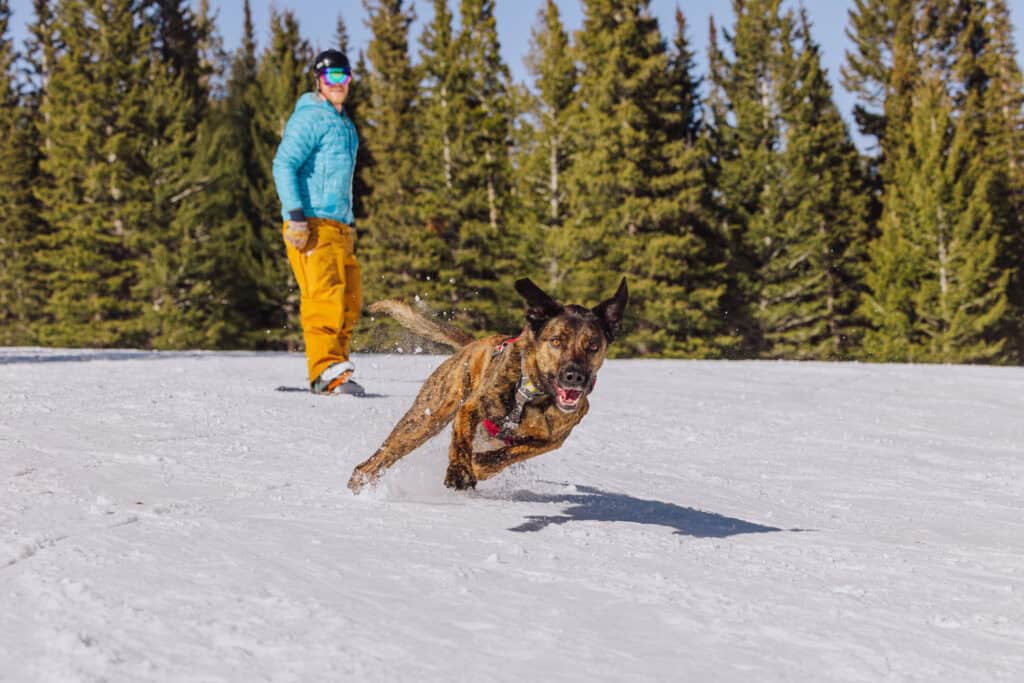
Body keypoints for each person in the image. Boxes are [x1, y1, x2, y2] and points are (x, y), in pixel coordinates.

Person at [273, 49, 365, 396]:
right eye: (330, 78)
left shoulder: (344, 123)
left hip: (340, 226)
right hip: (311, 223)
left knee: (349, 300)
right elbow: (283, 164)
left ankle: (337, 369)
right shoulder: (310, 118)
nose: (337, 84)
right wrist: (295, 216)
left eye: (342, 76)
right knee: (323, 297)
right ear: (319, 81)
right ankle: (324, 369)